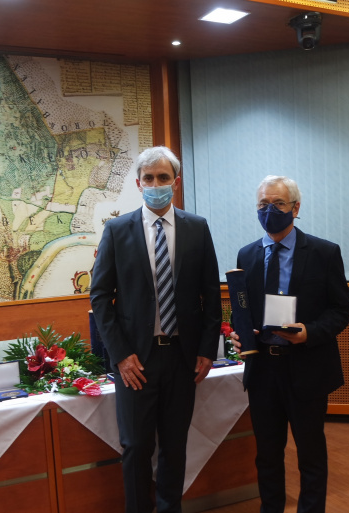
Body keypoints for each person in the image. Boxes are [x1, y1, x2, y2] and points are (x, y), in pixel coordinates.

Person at [89, 146, 222, 513]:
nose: (155, 184)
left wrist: (207, 349)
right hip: (136, 361)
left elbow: (211, 294)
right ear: (138, 184)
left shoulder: (197, 228)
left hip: (182, 357)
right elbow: (100, 297)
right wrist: (120, 355)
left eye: (163, 177)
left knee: (175, 445)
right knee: (135, 446)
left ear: (175, 183)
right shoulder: (117, 230)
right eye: (148, 178)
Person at [231, 175, 349, 513]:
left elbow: (343, 308)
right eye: (263, 205)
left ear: (296, 208)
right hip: (262, 369)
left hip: (306, 367)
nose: (269, 211)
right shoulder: (247, 254)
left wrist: (309, 332)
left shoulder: (324, 252)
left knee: (310, 455)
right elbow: (243, 309)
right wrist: (239, 333)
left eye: (278, 204)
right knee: (267, 454)